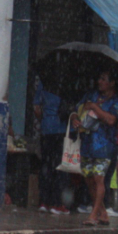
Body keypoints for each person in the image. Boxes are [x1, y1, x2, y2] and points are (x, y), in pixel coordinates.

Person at [71, 70, 118, 227]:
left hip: (104, 145)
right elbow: (76, 109)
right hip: (87, 143)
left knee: (99, 179)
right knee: (88, 179)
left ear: (112, 83)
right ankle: (103, 213)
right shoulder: (91, 95)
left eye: (103, 79)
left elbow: (111, 120)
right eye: (99, 78)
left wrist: (95, 107)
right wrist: (75, 118)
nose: (99, 82)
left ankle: (93, 215)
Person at [33, 78, 69, 215]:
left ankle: (44, 202)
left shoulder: (44, 82)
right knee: (60, 168)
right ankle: (57, 203)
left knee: (46, 166)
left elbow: (36, 108)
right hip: (62, 130)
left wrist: (46, 119)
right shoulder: (68, 83)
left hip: (46, 129)